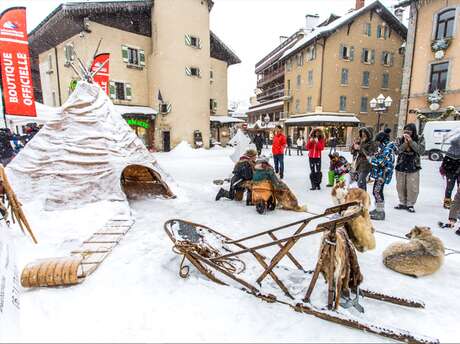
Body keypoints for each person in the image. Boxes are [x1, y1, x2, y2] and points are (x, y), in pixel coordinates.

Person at [394, 123, 425, 213]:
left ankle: (410, 203)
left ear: (413, 131)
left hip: (413, 164)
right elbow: (397, 151)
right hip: (401, 164)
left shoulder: (419, 138)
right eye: (405, 130)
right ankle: (402, 202)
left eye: (409, 131)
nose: (407, 132)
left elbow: (421, 151)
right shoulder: (399, 139)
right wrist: (405, 143)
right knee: (400, 185)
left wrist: (411, 142)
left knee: (412, 186)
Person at [369, 130, 397, 221]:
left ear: (381, 141)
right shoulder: (385, 148)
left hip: (382, 175)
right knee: (376, 191)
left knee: (377, 192)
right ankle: (378, 209)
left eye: (378, 141)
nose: (377, 143)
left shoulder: (387, 149)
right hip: (380, 174)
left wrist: (371, 159)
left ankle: (380, 212)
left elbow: (381, 162)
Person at [350, 127, 376, 191]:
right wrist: (354, 147)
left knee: (360, 182)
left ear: (368, 134)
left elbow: (370, 154)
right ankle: (363, 196)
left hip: (366, 164)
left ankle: (363, 195)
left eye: (365, 134)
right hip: (359, 164)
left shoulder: (371, 143)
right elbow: (353, 152)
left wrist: (360, 148)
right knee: (362, 182)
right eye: (362, 134)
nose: (363, 136)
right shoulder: (360, 141)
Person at [440, 135, 460, 209]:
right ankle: (449, 202)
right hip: (451, 172)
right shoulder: (451, 150)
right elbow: (445, 162)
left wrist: (443, 169)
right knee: (450, 187)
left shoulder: (450, 149)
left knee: (449, 187)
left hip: (450, 171)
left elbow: (445, 162)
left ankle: (447, 202)